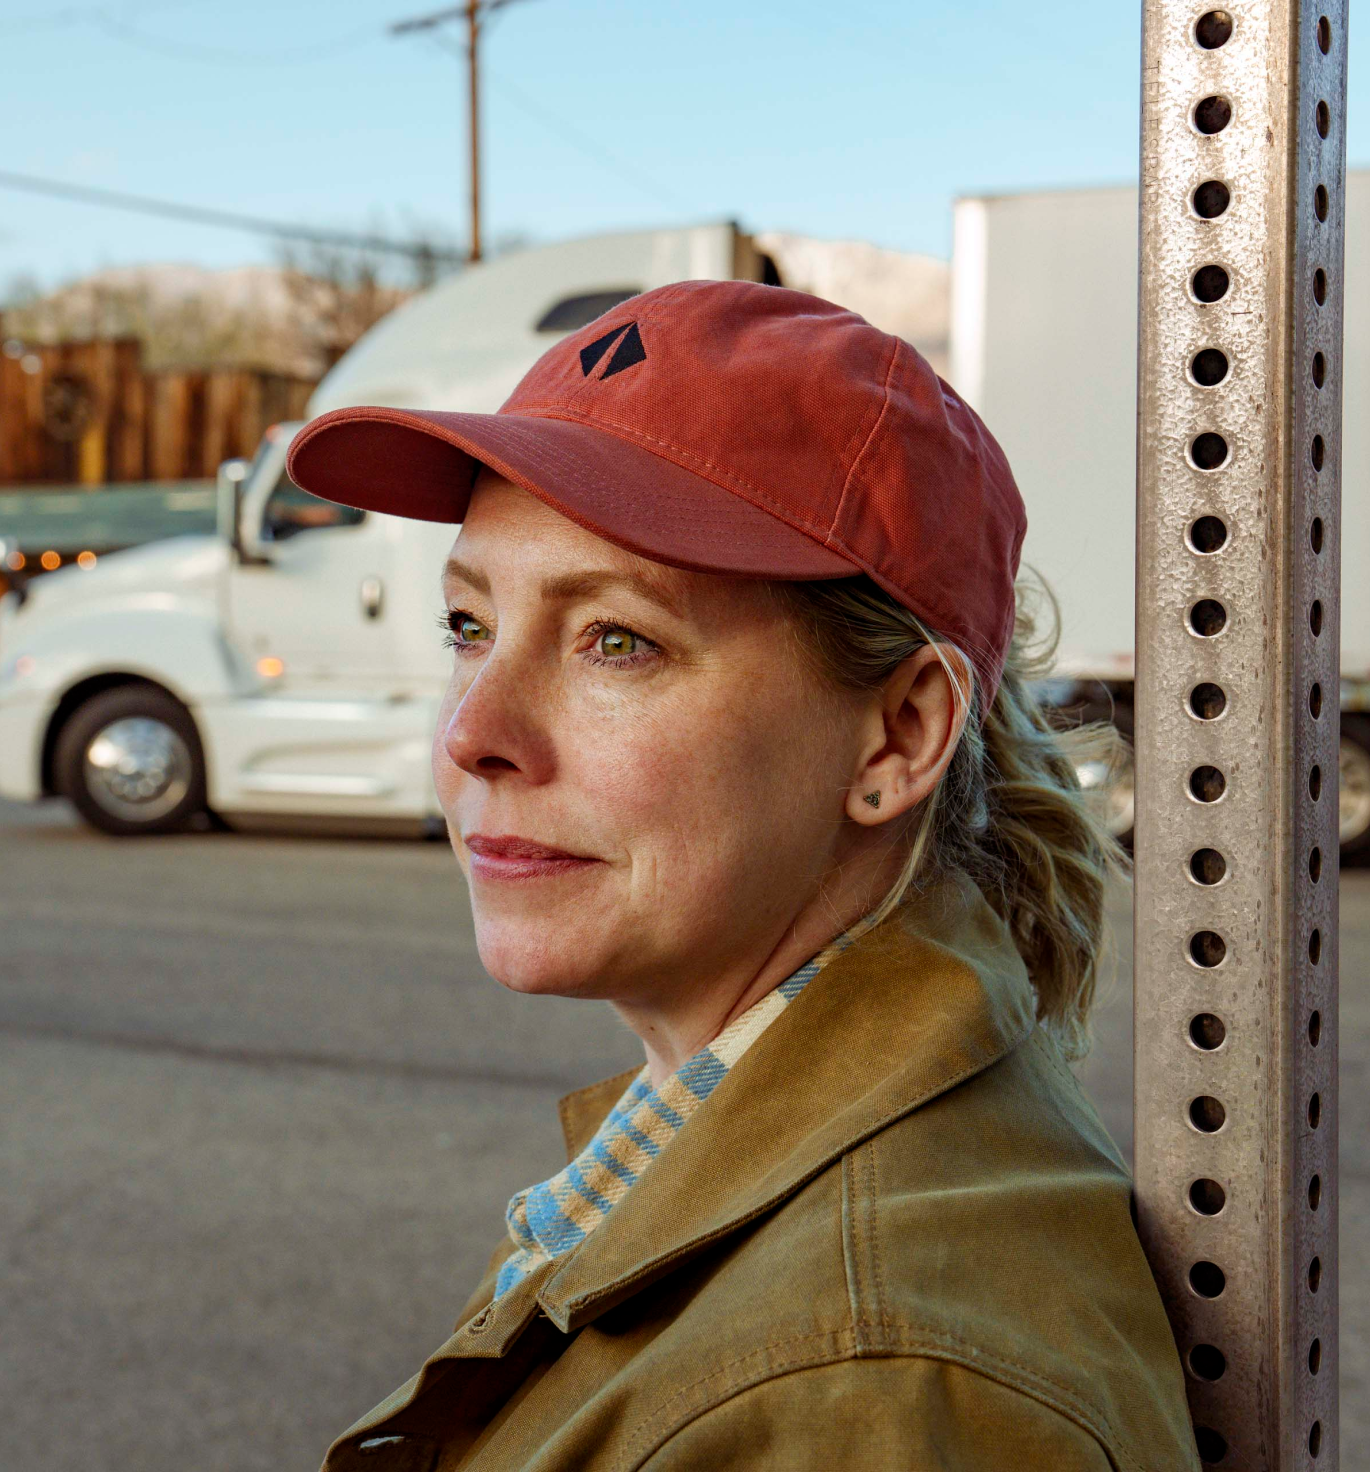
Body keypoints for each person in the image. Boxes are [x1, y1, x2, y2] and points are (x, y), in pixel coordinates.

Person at [286, 280, 1198, 1471]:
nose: (473, 731)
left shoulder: (873, 1388)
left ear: (898, 735)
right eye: (471, 624)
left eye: (617, 638)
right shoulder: (776, 1180)